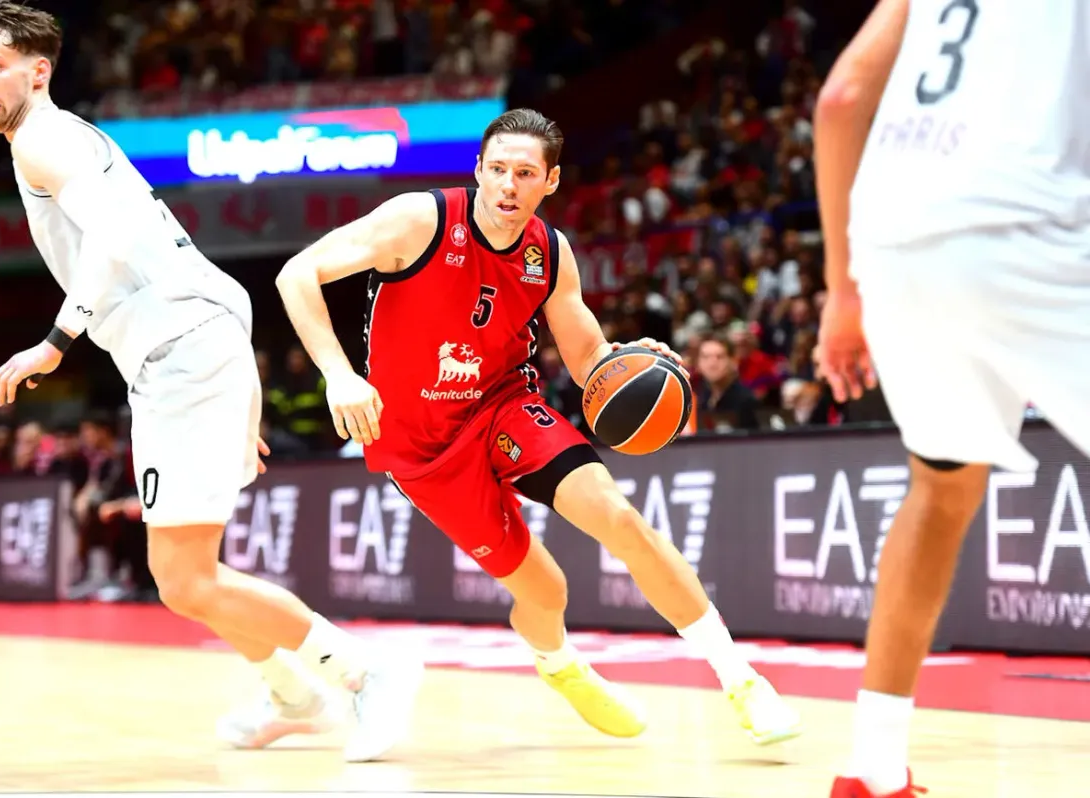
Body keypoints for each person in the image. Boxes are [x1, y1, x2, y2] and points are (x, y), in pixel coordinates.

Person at [0, 1, 421, 763]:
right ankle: (290, 693)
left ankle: (364, 674)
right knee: (186, 574)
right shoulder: (66, 136)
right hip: (187, 348)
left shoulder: (44, 137)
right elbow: (207, 282)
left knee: (181, 578)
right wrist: (239, 400)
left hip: (181, 353)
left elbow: (113, 235)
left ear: (38, 72)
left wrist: (55, 342)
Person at [275, 107, 802, 745]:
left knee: (620, 518)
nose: (508, 185)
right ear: (477, 169)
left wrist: (625, 362)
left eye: (525, 173)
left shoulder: (549, 252)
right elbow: (296, 274)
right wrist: (339, 374)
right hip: (421, 446)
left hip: (504, 404)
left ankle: (741, 680)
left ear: (550, 181)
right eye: (497, 169)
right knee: (546, 591)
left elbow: (586, 358)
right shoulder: (418, 220)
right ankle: (560, 664)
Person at [813, 1, 1090, 796]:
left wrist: (842, 290)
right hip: (1029, 223)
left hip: (893, 244)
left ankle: (872, 769)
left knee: (940, 489)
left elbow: (839, 101)